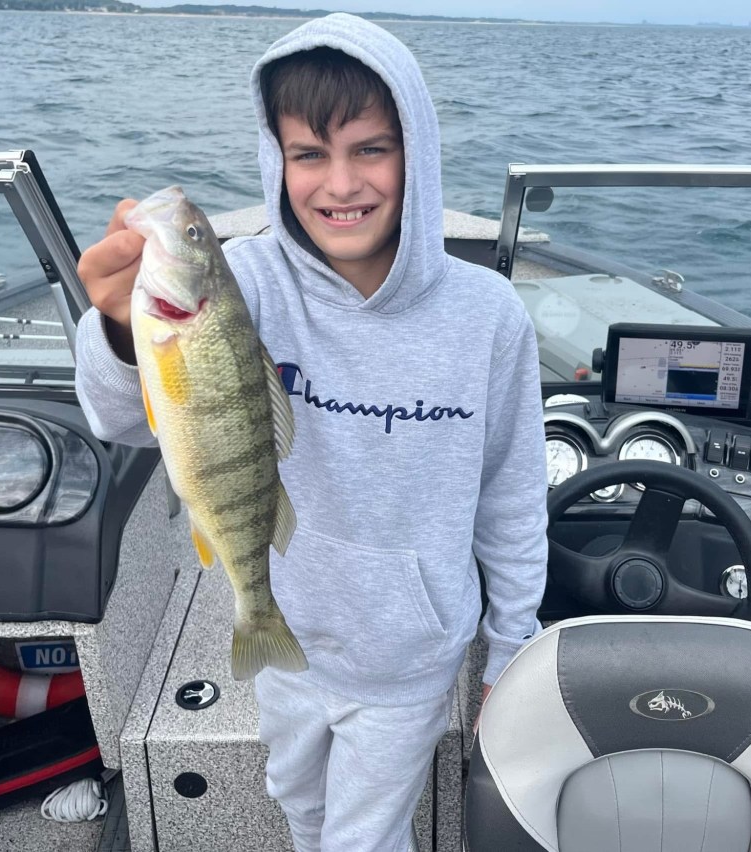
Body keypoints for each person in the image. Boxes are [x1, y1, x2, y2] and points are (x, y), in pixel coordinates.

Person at [74, 12, 548, 852]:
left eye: (372, 149)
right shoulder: (245, 284)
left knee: (364, 837)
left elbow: (511, 495)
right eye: (308, 154)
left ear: (417, 153)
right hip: (285, 624)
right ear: (276, 160)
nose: (341, 183)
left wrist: (512, 644)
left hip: (410, 659)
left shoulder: (489, 317)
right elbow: (121, 421)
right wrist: (117, 327)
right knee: (296, 798)